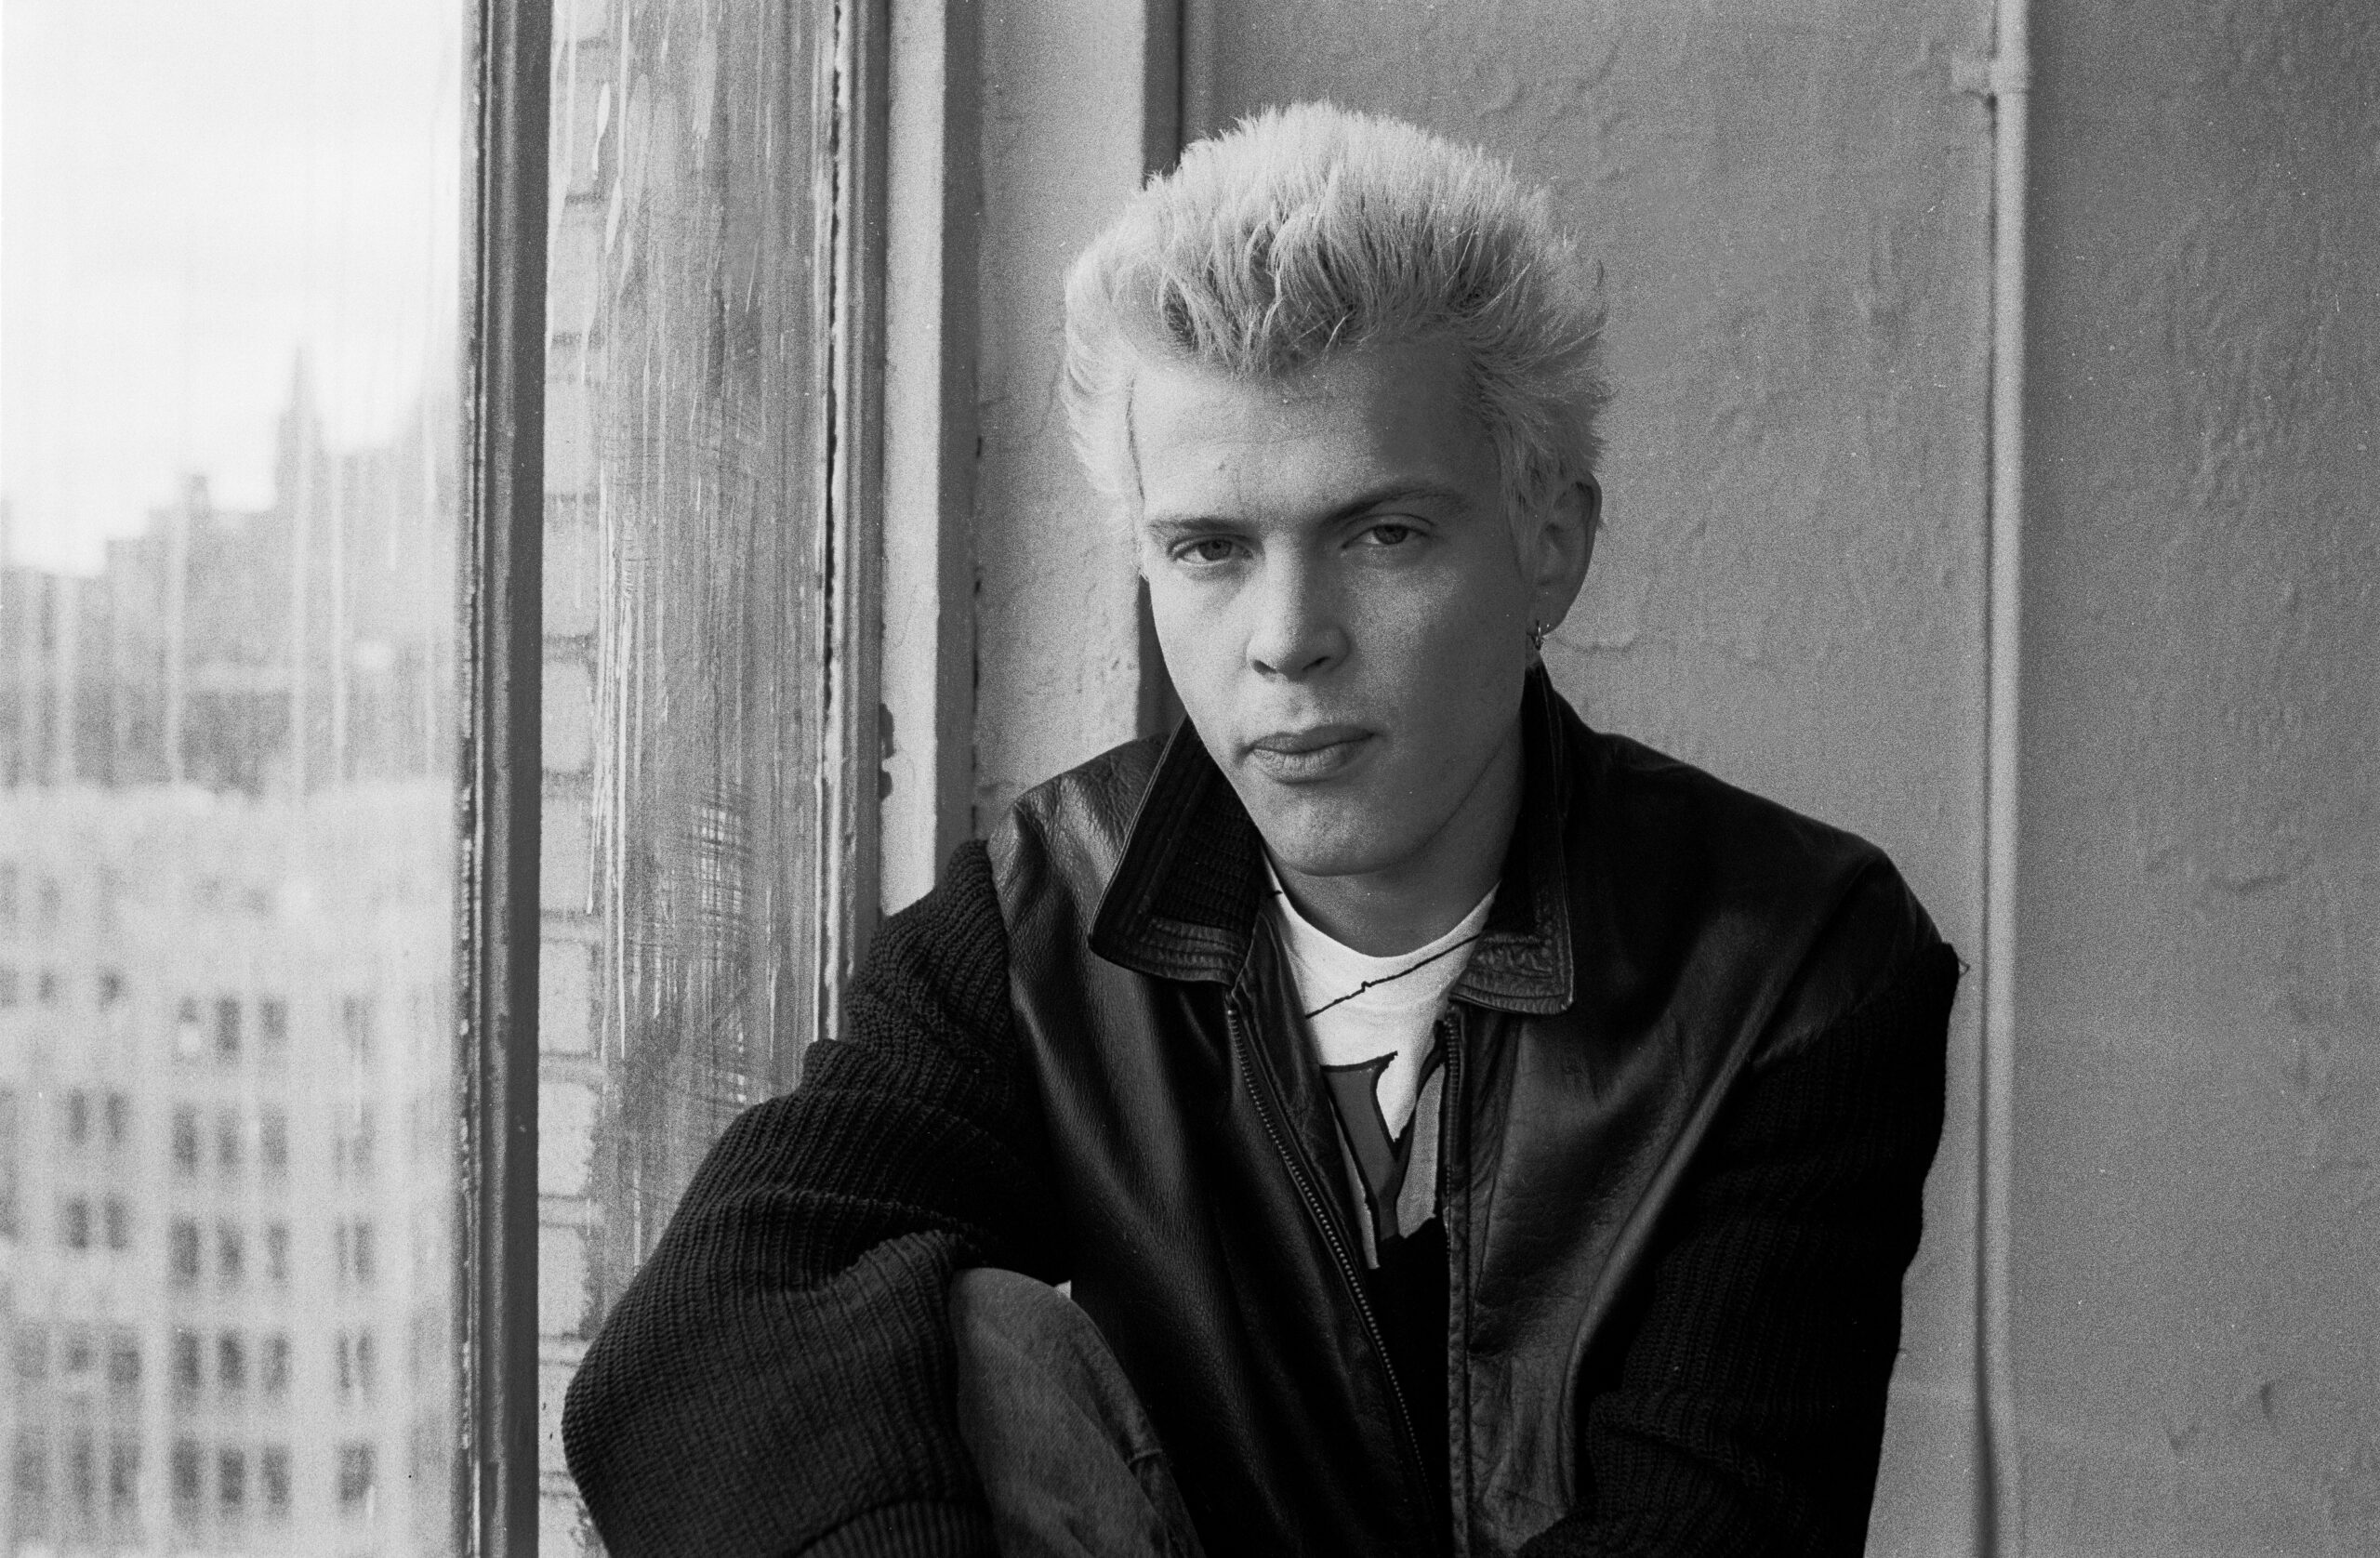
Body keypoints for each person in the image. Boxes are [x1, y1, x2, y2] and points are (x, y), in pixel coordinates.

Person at [563, 102, 1958, 1558]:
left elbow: (1702, 1526)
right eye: (1212, 549)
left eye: (1383, 535)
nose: (1288, 640)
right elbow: (706, 1333)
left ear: (1551, 544)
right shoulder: (1046, 920)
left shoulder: (1790, 965)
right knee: (937, 1342)